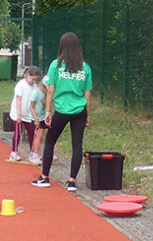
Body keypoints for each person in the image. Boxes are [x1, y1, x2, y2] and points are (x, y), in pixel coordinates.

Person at [31, 32, 92, 192]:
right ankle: (72, 181)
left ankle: (44, 177)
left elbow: (50, 90)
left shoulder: (55, 65)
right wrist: (87, 114)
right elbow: (87, 94)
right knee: (77, 145)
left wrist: (48, 112)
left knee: (50, 141)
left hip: (62, 110)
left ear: (62, 46)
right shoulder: (85, 67)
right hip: (80, 110)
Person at [8, 66, 40, 163]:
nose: (33, 81)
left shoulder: (35, 87)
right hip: (17, 112)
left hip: (28, 114)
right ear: (27, 75)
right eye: (32, 79)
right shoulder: (21, 85)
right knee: (18, 132)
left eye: (35, 80)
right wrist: (18, 114)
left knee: (32, 133)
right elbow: (18, 99)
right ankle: (13, 152)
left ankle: (33, 153)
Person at [29, 74, 48, 164]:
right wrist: (36, 119)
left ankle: (47, 153)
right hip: (36, 117)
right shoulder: (36, 92)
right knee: (39, 135)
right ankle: (34, 154)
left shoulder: (48, 93)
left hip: (44, 117)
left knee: (48, 135)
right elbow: (31, 107)